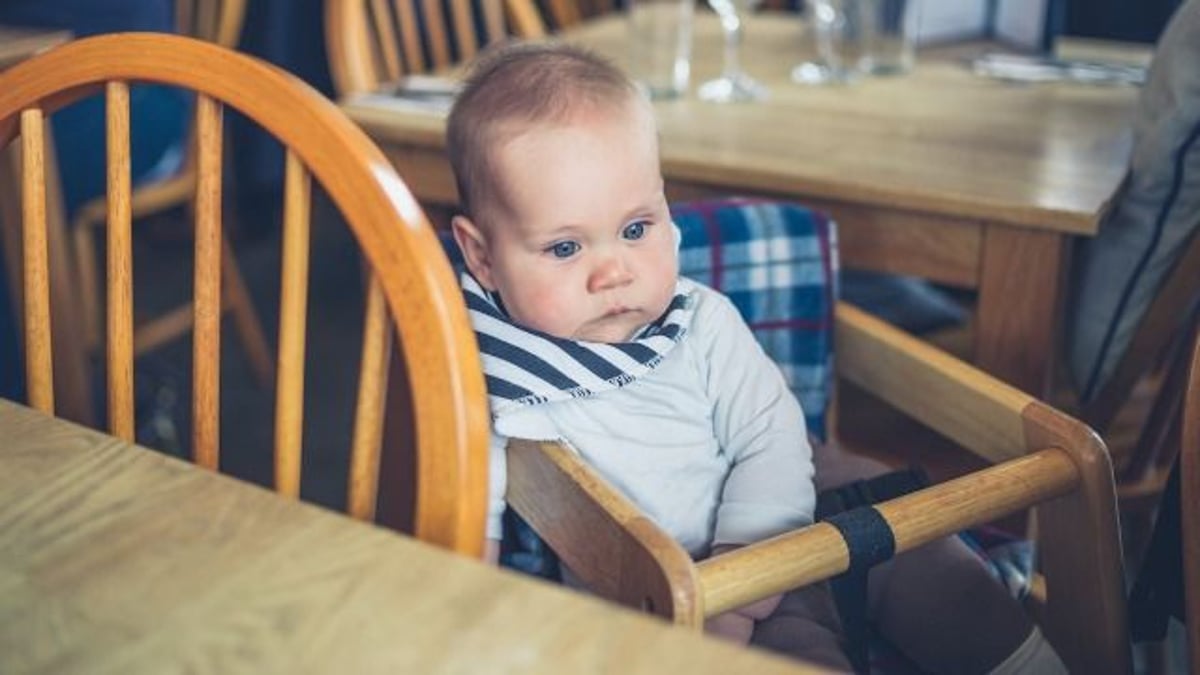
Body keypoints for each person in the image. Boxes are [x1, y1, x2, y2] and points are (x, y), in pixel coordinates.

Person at [446, 41, 1065, 675]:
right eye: (565, 248)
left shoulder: (700, 323)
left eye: (637, 229)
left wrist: (749, 571)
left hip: (790, 523)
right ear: (483, 255)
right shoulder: (495, 374)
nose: (614, 273)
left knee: (934, 567)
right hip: (675, 600)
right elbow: (472, 529)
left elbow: (770, 437)